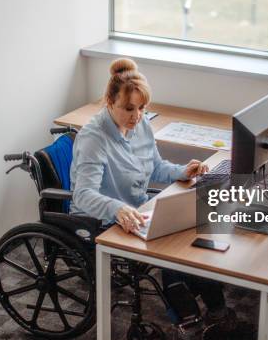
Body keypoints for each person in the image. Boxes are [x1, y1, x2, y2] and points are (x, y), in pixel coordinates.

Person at [70, 58, 242, 338]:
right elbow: (83, 194)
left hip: (139, 212)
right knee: (170, 251)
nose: (137, 116)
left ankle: (217, 311)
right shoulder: (93, 139)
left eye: (142, 108)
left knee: (192, 232)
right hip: (101, 219)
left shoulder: (142, 126)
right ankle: (189, 321)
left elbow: (155, 167)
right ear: (109, 102)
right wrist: (117, 208)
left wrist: (182, 171)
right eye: (129, 108)